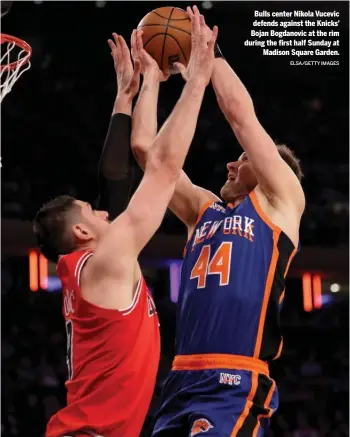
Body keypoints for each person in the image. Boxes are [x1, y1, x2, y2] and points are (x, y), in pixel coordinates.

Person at [33, 14, 218, 437]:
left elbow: (116, 178)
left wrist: (133, 89)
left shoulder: (95, 267)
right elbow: (164, 168)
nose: (102, 212)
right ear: (81, 233)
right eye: (91, 212)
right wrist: (197, 80)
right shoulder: (105, 263)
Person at [131, 6, 305, 437]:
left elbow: (239, 116)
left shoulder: (281, 202)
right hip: (180, 378)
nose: (230, 163)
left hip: (234, 380)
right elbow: (146, 155)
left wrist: (211, 55)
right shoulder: (203, 211)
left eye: (243, 159)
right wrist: (150, 81)